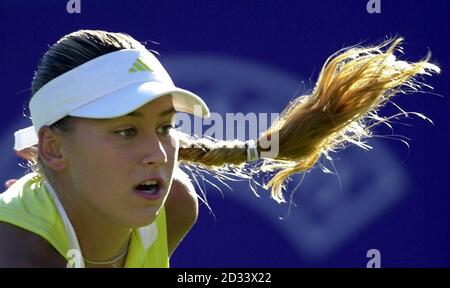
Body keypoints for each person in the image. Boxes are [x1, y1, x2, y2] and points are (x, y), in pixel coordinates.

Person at [0, 30, 439, 268]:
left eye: (166, 126)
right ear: (54, 149)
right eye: (125, 132)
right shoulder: (19, 255)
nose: (157, 153)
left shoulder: (174, 205)